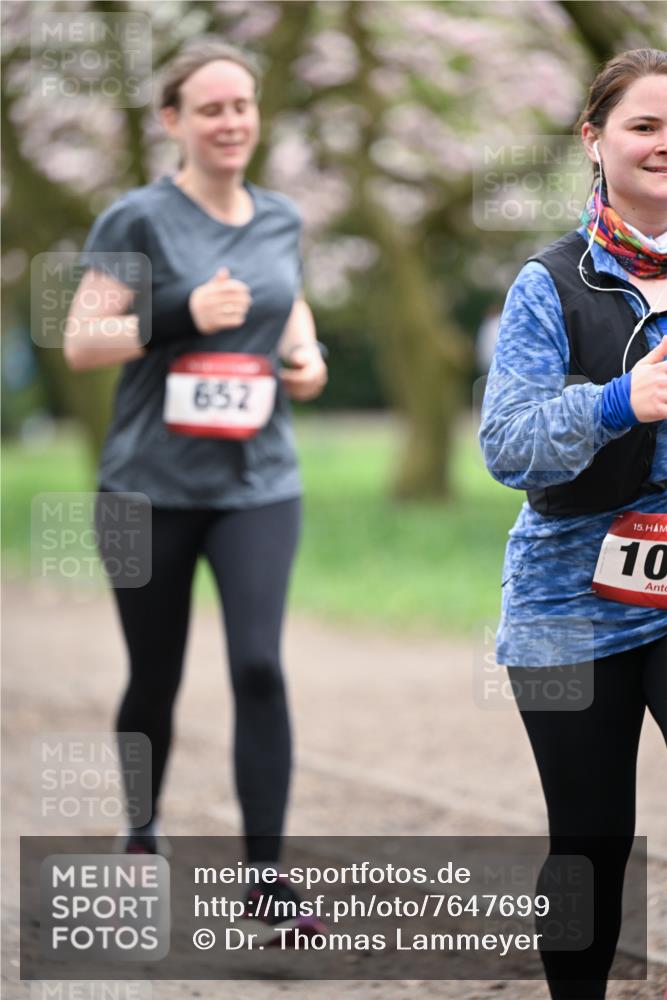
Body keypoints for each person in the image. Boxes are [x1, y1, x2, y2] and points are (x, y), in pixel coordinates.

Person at [64, 37, 328, 939]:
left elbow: (286, 300)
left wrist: (305, 354)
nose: (229, 122)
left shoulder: (281, 217)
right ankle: (141, 828)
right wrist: (181, 313)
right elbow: (82, 341)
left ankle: (266, 879)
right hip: (147, 488)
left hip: (258, 482)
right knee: (155, 674)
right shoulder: (136, 219)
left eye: (241, 105)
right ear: (173, 121)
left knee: (258, 666)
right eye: (210, 108)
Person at [479, 49, 667, 999]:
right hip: (566, 604)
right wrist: (618, 402)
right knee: (591, 839)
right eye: (644, 125)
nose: (664, 144)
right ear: (593, 140)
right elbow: (507, 444)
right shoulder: (548, 283)